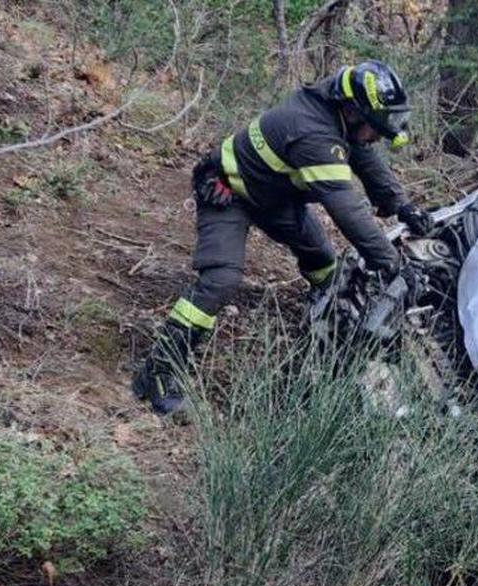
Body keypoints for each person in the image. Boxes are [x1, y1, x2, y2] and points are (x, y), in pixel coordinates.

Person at [132, 60, 435, 416]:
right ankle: (158, 370)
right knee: (221, 280)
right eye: (376, 129)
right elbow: (348, 209)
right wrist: (392, 264)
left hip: (275, 197)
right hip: (227, 192)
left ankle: (325, 329)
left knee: (325, 266)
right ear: (353, 112)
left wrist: (401, 205)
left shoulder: (338, 113)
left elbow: (364, 157)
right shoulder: (313, 132)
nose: (378, 138)